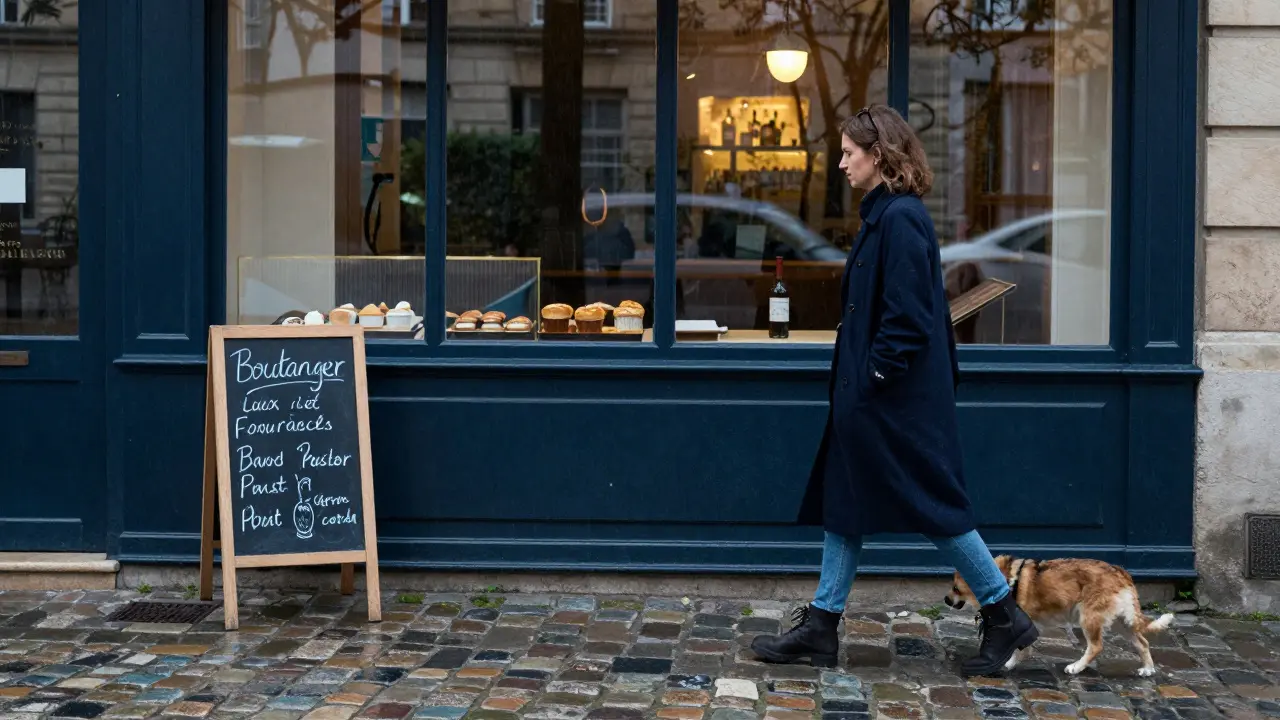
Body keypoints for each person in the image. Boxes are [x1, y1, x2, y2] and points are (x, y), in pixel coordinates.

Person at [750, 105, 1037, 677]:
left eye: (849, 154)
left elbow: (905, 319)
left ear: (877, 155)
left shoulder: (901, 218)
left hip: (893, 402)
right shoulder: (884, 214)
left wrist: (873, 380)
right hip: (872, 397)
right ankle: (823, 627)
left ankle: (1005, 612)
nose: (840, 164)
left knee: (934, 507)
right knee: (845, 505)